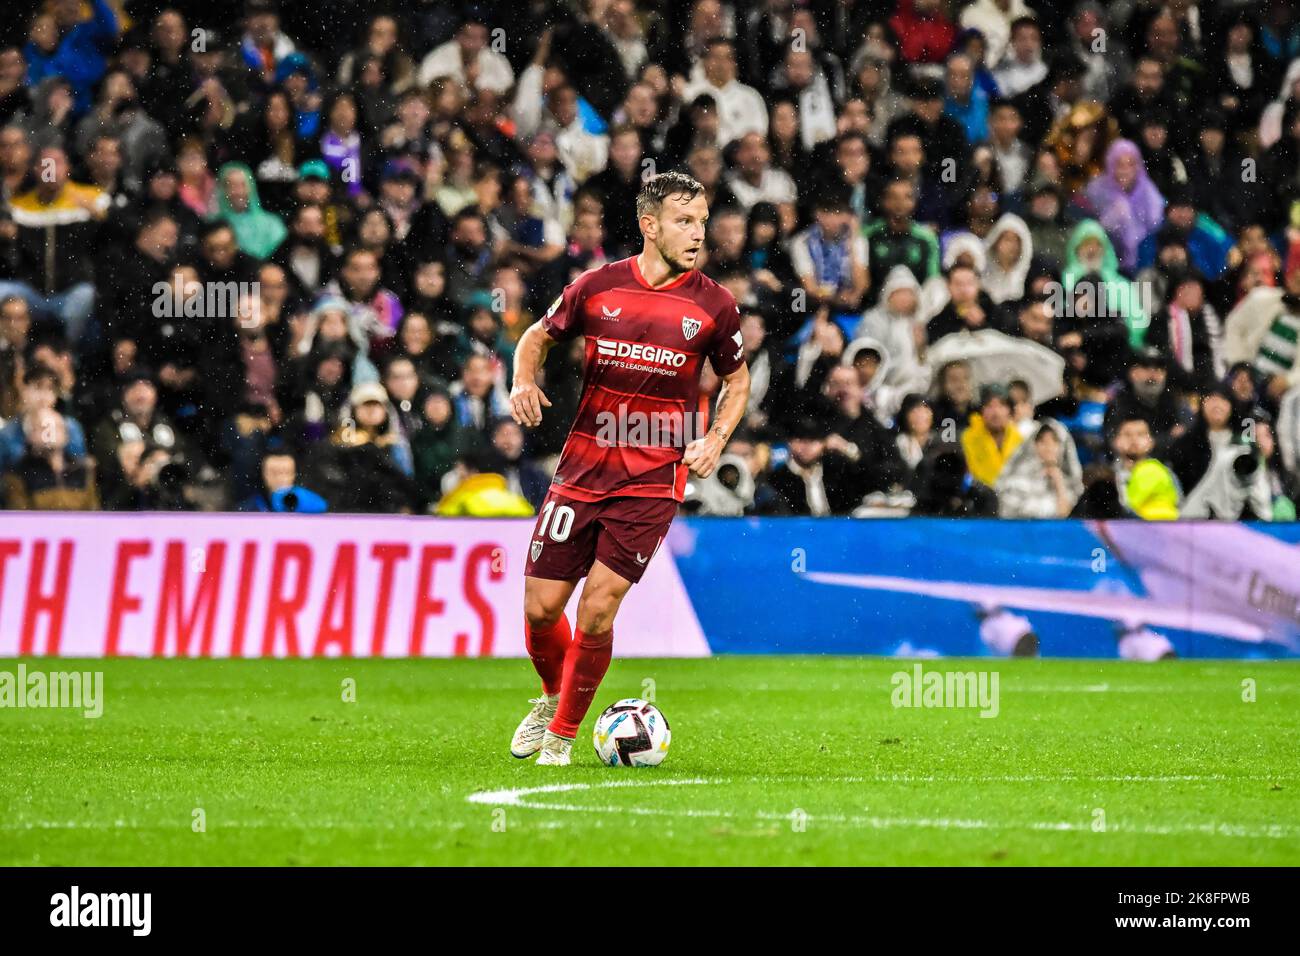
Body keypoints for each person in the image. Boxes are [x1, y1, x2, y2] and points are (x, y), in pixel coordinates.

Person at [506, 171, 749, 766]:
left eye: (702, 221)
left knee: (598, 606)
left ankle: (561, 739)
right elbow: (536, 337)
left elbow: (737, 378)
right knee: (540, 608)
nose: (698, 234)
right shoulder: (598, 287)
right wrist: (521, 380)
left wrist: (716, 436)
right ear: (650, 225)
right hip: (582, 468)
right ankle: (550, 696)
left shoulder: (714, 303)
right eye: (684, 222)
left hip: (653, 477)